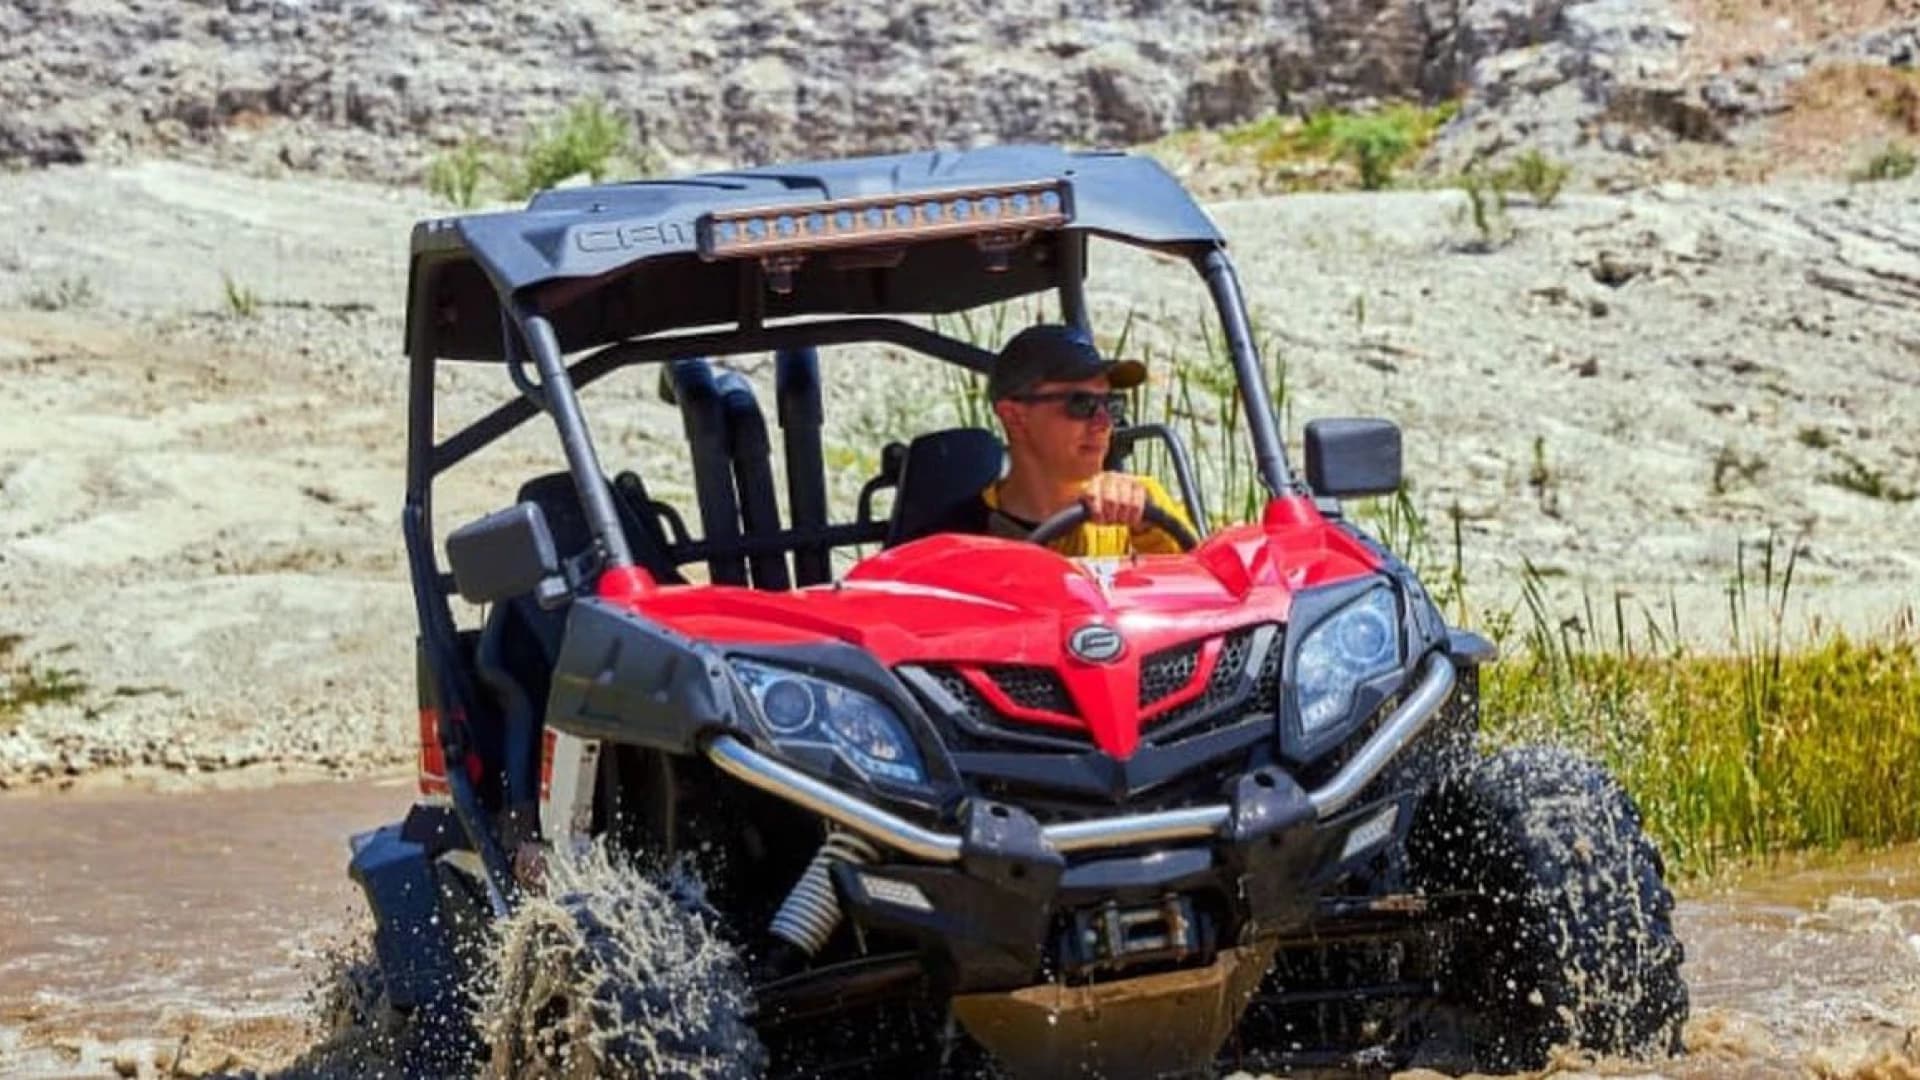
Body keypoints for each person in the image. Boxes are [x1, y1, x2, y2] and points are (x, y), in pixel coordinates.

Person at [931, 323, 1197, 556]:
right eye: (1081, 403)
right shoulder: (958, 540)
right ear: (1014, 417)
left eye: (1112, 404)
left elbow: (1198, 583)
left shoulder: (1142, 507)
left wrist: (1147, 523)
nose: (1104, 423)